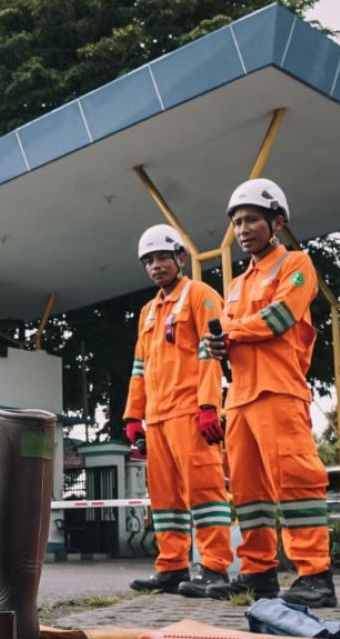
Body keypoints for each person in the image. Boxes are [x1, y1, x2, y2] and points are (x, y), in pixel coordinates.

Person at [204, 178, 336, 608]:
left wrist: (230, 332)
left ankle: (315, 576)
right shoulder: (239, 284)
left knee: (297, 482)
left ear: (276, 222)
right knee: (248, 494)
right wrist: (218, 343)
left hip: (279, 390)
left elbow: (278, 319)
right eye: (238, 223)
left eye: (252, 220)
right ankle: (259, 576)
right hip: (239, 398)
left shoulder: (296, 264)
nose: (243, 230)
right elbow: (229, 334)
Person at [124, 224, 234, 597]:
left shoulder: (202, 296)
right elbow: (139, 366)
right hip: (156, 420)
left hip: (190, 414)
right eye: (148, 261)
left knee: (205, 491)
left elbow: (211, 354)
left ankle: (216, 568)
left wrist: (208, 406)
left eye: (161, 258)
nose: (156, 266)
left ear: (180, 258)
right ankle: (171, 567)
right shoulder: (148, 312)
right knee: (165, 499)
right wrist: (132, 417)